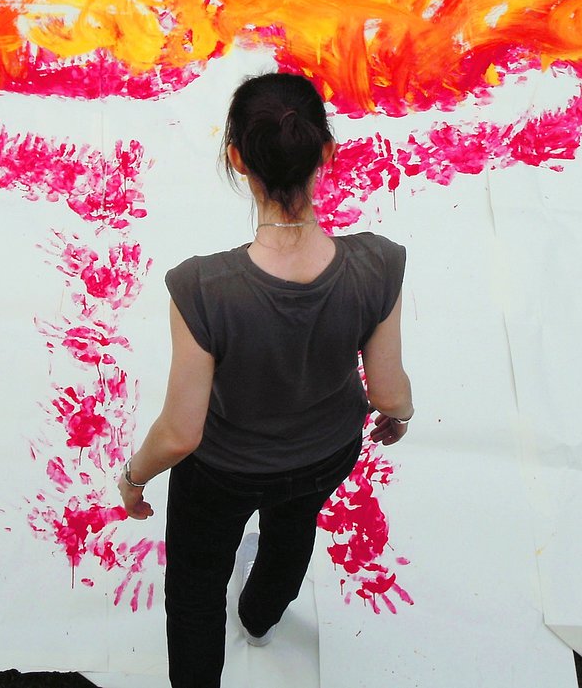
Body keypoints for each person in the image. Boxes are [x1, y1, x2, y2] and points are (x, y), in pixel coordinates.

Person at [117, 72, 413, 688]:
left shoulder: (202, 287)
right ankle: (259, 617)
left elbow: (179, 434)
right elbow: (389, 394)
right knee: (292, 527)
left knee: (196, 587)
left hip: (222, 473)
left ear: (237, 159)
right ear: (327, 152)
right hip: (325, 454)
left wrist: (133, 477)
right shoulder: (378, 263)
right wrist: (399, 417)